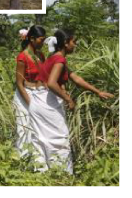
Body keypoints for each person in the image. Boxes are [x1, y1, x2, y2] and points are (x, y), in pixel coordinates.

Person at [29, 29, 114, 174]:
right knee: (60, 139)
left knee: (43, 138)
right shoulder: (59, 60)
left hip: (38, 101)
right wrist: (68, 99)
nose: (75, 45)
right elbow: (51, 83)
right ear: (65, 43)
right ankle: (64, 175)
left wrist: (98, 92)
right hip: (46, 101)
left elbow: (76, 78)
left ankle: (42, 174)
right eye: (74, 42)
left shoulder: (55, 57)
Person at [13, 25, 46, 157]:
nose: (43, 43)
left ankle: (37, 160)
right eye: (41, 40)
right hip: (24, 95)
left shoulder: (41, 55)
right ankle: (23, 160)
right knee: (24, 127)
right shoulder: (22, 57)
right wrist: (30, 103)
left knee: (38, 127)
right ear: (32, 39)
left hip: (38, 94)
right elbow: (19, 83)